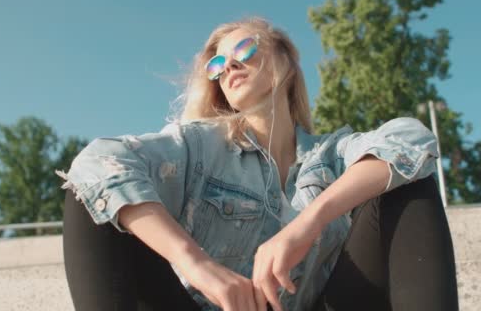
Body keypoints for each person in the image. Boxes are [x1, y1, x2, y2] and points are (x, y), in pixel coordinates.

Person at [58, 17, 459, 311]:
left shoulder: (333, 154)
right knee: (93, 199)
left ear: (284, 60)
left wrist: (310, 221)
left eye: (244, 51)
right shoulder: (199, 146)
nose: (228, 67)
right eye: (217, 65)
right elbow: (98, 162)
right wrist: (194, 262)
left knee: (403, 176)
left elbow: (412, 140)